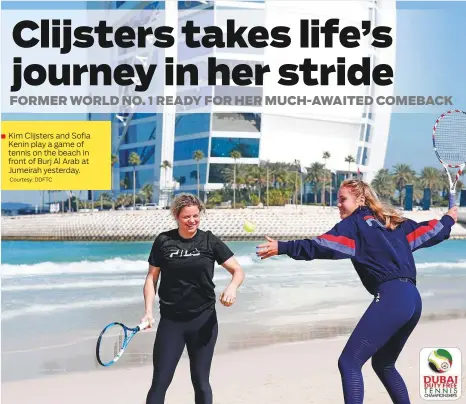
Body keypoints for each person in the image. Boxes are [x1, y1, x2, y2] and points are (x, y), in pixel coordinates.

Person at [256, 179, 458, 404]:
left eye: (343, 199)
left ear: (360, 199)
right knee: (383, 364)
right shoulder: (393, 222)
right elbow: (434, 232)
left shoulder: (354, 225)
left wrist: (283, 247)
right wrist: (449, 218)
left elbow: (320, 246)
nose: (338, 205)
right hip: (412, 300)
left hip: (393, 297)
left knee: (349, 362)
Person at [142, 193, 245, 404]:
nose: (192, 221)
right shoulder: (164, 241)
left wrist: (232, 288)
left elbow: (237, 271)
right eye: (186, 217)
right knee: (160, 382)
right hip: (172, 322)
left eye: (196, 216)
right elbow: (152, 278)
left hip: (203, 320)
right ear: (176, 217)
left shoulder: (209, 240)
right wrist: (148, 311)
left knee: (200, 380)